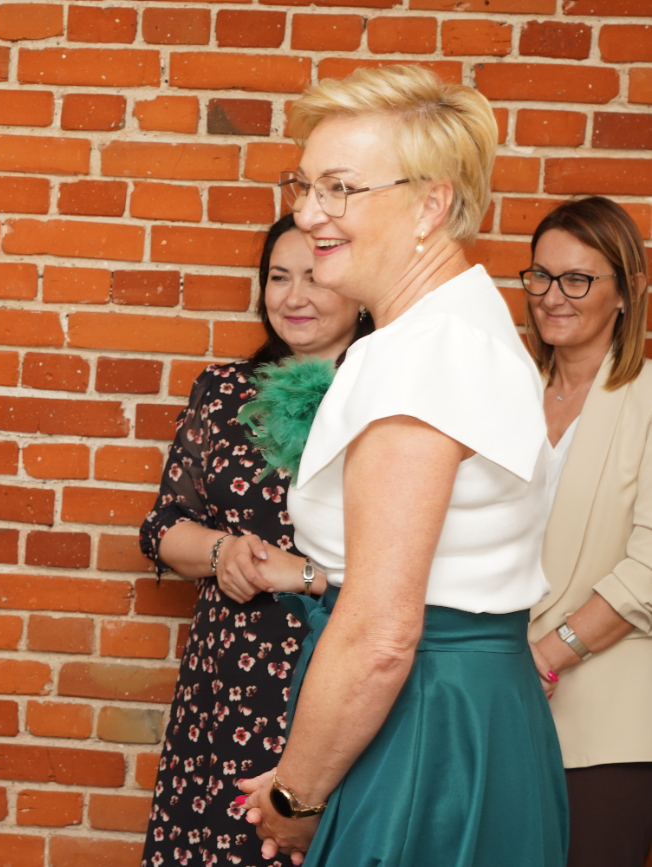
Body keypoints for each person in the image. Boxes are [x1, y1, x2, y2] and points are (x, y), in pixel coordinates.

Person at [236, 65, 567, 866]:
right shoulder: (462, 327)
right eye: (305, 183)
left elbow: (382, 635)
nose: (307, 212)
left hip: (423, 730)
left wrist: (295, 795)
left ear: (432, 203)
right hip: (471, 714)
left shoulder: (424, 356)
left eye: (340, 187)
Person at [137, 213, 369, 867]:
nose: (294, 296)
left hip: (329, 677)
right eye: (279, 277)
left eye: (316, 276)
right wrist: (222, 552)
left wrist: (303, 574)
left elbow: (415, 565)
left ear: (358, 285)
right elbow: (162, 527)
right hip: (223, 683)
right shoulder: (224, 391)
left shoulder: (386, 400)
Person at [520, 197, 652, 867]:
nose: (552, 296)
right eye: (540, 276)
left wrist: (547, 654)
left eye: (578, 279)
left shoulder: (649, 400)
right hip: (497, 709)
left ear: (627, 292)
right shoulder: (506, 395)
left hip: (604, 727)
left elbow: (650, 570)